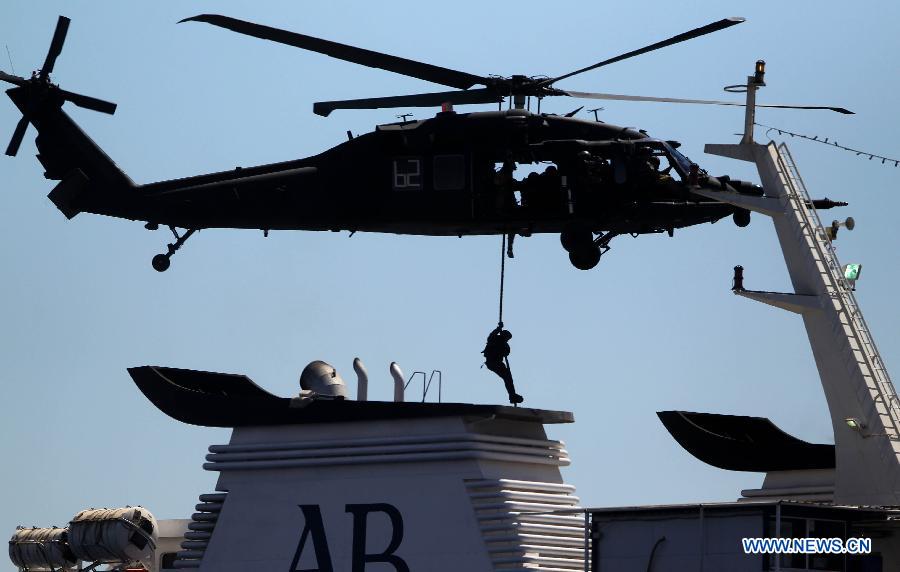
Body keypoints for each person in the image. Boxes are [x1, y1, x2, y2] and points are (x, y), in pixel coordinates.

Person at [482, 325, 524, 405]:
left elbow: (506, 353)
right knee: (507, 377)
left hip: (496, 363)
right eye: (507, 338)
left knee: (508, 377)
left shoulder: (505, 345)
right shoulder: (494, 339)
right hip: (493, 362)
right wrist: (499, 328)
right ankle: (512, 395)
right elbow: (491, 335)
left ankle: (512, 395)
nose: (507, 340)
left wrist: (504, 346)